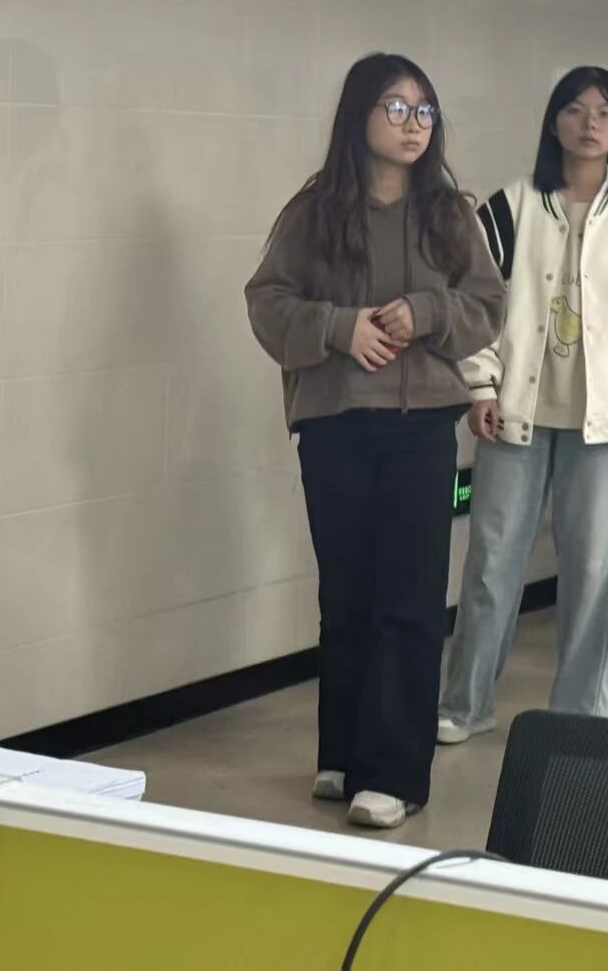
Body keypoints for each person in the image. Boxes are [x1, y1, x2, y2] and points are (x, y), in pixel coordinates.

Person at [246, 53, 506, 830]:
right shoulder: (314, 210)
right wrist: (338, 328)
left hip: (421, 425)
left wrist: (427, 312)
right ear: (359, 115)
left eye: (424, 111)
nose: (412, 125)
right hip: (334, 421)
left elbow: (487, 304)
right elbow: (267, 301)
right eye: (396, 108)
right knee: (346, 590)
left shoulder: (449, 213)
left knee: (409, 594)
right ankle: (343, 752)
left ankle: (394, 773)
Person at [438, 66, 608, 744]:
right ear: (554, 122)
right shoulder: (509, 206)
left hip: (604, 423)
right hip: (514, 414)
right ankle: (464, 703)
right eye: (575, 110)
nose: (589, 124)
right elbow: (477, 305)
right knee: (491, 562)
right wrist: (480, 384)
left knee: (596, 570)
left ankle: (580, 715)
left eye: (605, 113)